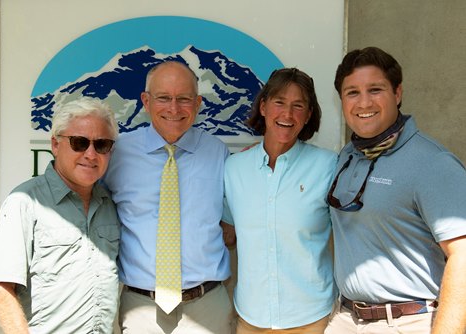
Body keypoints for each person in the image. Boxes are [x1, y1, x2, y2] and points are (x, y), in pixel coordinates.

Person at [325, 47, 466, 333]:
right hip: (346, 318)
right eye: (352, 92)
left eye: (375, 89)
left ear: (397, 93)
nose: (364, 102)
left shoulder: (434, 163)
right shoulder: (348, 156)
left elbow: (462, 256)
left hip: (406, 322)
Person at [102, 61, 233, 334]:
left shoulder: (218, 154)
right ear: (146, 101)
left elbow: (231, 224)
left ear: (197, 103)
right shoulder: (118, 154)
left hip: (207, 305)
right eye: (163, 98)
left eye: (184, 99)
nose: (174, 109)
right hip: (141, 307)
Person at [222, 68, 337, 333]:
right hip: (251, 319)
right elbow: (227, 234)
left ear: (308, 115)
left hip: (312, 319)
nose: (287, 114)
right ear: (263, 107)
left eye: (298, 106)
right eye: (279, 102)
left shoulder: (328, 166)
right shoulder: (234, 168)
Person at [0, 97, 120, 333]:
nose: (91, 154)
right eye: (79, 142)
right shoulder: (24, 202)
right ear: (55, 144)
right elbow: (1, 289)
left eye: (101, 145)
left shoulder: (109, 204)